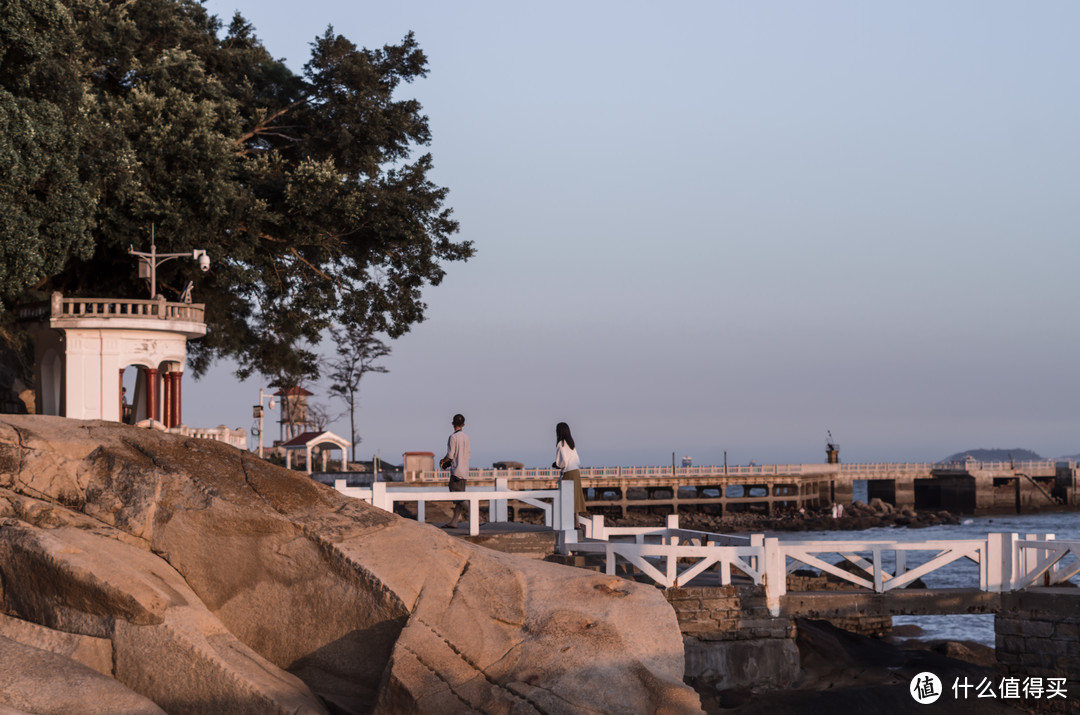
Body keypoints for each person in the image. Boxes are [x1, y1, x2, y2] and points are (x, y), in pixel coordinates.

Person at [440, 413, 470, 528]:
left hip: (456, 471)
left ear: (452, 423)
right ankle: (454, 521)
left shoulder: (453, 437)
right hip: (464, 472)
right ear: (463, 424)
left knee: (457, 496)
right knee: (459, 498)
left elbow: (450, 455)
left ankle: (477, 517)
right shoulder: (467, 437)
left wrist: (443, 461)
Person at [552, 422, 587, 517]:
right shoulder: (571, 443)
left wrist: (556, 464)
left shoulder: (561, 444)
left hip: (568, 472)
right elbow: (577, 460)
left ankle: (568, 520)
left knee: (567, 496)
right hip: (576, 471)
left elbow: (562, 462)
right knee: (576, 496)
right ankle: (577, 522)